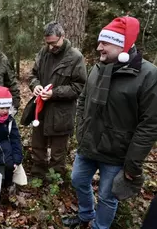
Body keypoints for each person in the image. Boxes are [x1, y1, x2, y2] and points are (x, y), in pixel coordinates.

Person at [63, 16, 157, 229]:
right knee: (78, 180)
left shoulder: (148, 75)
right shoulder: (98, 68)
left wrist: (133, 163)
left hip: (117, 153)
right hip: (88, 146)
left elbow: (150, 124)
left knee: (107, 196)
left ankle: (99, 227)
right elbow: (83, 101)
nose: (99, 48)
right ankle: (86, 216)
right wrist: (81, 130)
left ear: (122, 44)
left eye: (104, 43)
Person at [28, 21, 87, 178]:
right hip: (40, 109)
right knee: (38, 145)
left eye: (54, 43)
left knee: (58, 151)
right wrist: (35, 85)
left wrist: (55, 93)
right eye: (47, 43)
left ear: (63, 37)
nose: (50, 47)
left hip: (62, 113)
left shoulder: (75, 57)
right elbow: (33, 75)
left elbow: (79, 86)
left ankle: (55, 179)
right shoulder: (43, 52)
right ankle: (37, 176)